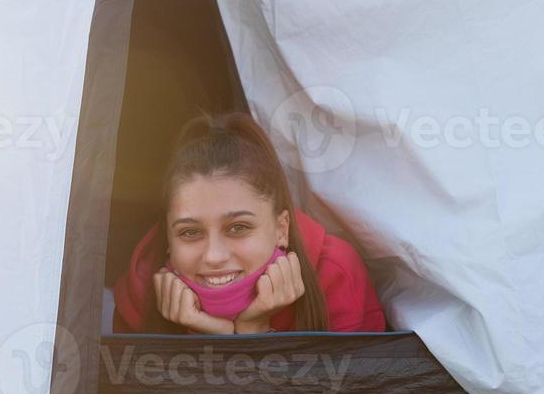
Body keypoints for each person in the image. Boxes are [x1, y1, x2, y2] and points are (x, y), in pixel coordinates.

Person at [113, 111, 386, 335]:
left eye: (238, 228)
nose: (214, 256)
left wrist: (255, 334)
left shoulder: (335, 276)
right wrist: (208, 340)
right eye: (190, 232)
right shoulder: (141, 291)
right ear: (169, 241)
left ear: (281, 229)